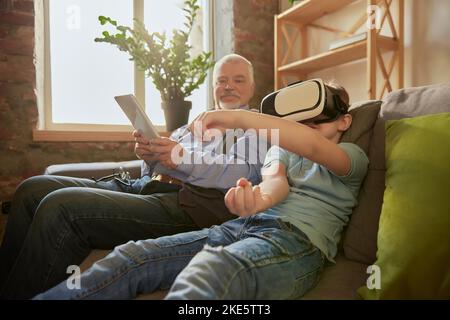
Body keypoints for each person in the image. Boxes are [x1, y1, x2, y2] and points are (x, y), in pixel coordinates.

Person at [34, 81, 369, 300]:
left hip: (297, 244)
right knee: (134, 256)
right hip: (238, 228)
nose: (307, 129)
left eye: (318, 121)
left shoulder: (352, 158)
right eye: (301, 123)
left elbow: (312, 146)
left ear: (345, 122)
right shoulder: (279, 150)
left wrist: (239, 117)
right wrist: (257, 200)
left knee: (209, 275)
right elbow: (275, 181)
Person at [0, 54, 267, 299]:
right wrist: (151, 156)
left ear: (252, 87)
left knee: (60, 207)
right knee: (31, 189)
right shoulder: (194, 124)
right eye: (221, 80)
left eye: (238, 80)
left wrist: (181, 157)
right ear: (213, 87)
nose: (228, 86)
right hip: (145, 188)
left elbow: (241, 172)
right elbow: (156, 170)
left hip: (187, 206)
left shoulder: (257, 127)